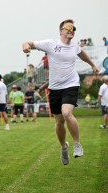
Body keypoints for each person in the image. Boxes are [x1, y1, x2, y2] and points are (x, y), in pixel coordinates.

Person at [22, 19, 99, 165]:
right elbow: (28, 43)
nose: (72, 30)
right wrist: (25, 46)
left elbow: (82, 54)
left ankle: (77, 144)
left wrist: (93, 65)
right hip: (55, 88)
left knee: (67, 113)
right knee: (59, 122)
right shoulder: (51, 44)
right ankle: (64, 148)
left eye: (74, 28)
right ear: (61, 30)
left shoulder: (75, 46)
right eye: (68, 27)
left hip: (71, 84)